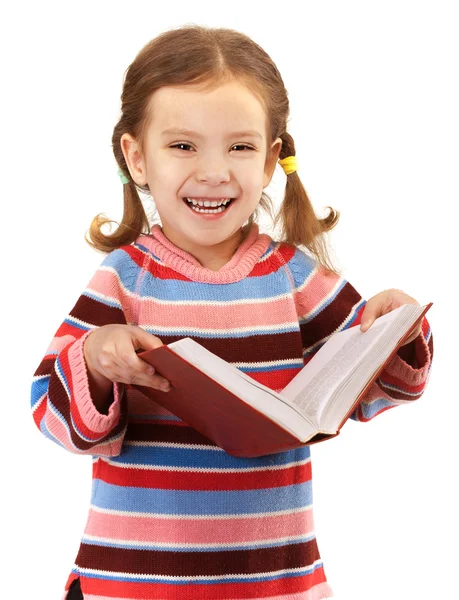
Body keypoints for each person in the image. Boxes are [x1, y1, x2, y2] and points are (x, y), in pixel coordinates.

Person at [30, 24, 434, 600]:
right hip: (136, 584)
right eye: (183, 145)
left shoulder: (295, 278)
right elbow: (47, 409)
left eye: (240, 147)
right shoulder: (124, 278)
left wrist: (395, 332)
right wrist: (94, 362)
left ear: (271, 161)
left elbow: (370, 390)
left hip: (273, 582)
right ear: (137, 157)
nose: (215, 171)